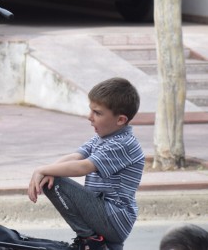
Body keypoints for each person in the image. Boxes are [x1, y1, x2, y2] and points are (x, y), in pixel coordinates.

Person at [27, 77, 145, 250]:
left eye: (97, 113)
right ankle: (96, 242)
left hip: (114, 217)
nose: (89, 117)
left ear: (120, 120)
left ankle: (90, 239)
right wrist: (49, 171)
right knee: (52, 177)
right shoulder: (102, 138)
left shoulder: (123, 143)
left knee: (55, 184)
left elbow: (83, 167)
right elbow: (76, 157)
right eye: (91, 110)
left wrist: (42, 169)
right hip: (106, 215)